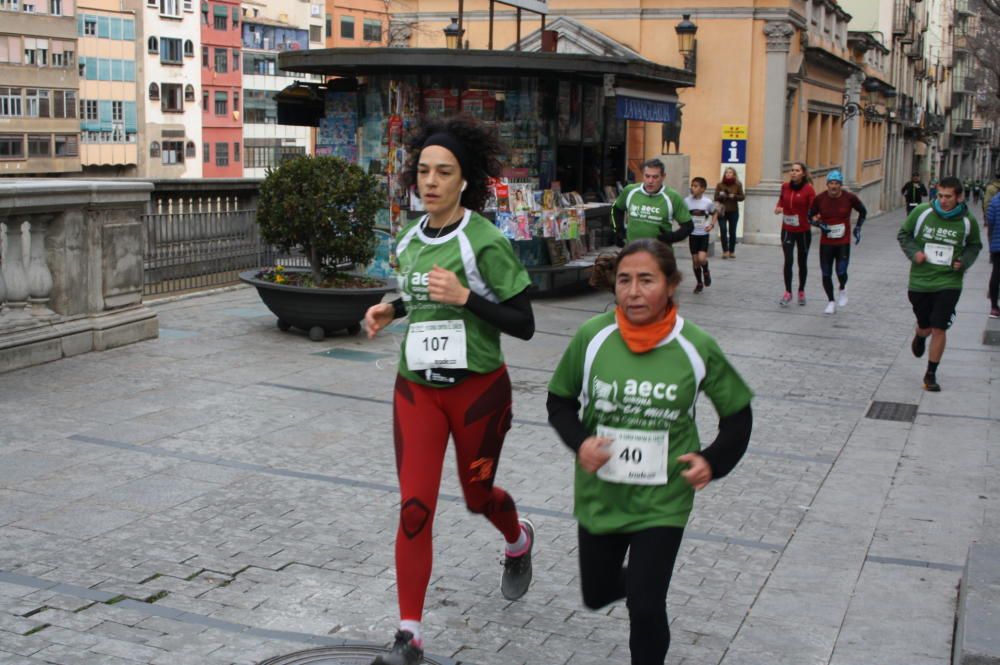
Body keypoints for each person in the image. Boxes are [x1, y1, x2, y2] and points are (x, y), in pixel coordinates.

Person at [363, 115, 537, 665]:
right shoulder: (410, 239)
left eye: (444, 172)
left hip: (477, 392)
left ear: (465, 180)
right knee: (414, 506)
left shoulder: (485, 240)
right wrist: (389, 309)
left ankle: (518, 539)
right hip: (417, 390)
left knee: (476, 495)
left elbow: (524, 321)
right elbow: (417, 296)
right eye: (423, 172)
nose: (431, 182)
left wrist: (466, 299)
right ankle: (409, 633)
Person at [546, 239, 753, 665]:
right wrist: (581, 442)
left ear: (672, 285)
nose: (633, 292)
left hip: (664, 497)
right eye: (624, 280)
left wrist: (712, 461)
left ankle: (645, 593)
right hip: (602, 494)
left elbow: (738, 416)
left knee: (645, 604)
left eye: (646, 280)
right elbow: (559, 402)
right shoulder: (592, 337)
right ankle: (635, 582)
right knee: (597, 591)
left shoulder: (695, 345)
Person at [897, 176, 983, 392]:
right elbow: (904, 235)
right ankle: (919, 334)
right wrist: (914, 253)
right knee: (926, 327)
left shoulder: (967, 221)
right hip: (920, 281)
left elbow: (974, 246)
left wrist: (963, 262)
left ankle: (931, 374)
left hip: (949, 281)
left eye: (948, 197)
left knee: (939, 327)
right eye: (940, 195)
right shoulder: (922, 212)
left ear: (959, 197)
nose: (943, 201)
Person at [808, 170, 867, 315]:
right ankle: (831, 301)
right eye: (831, 183)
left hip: (843, 241)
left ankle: (842, 288)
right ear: (827, 184)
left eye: (836, 184)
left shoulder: (850, 198)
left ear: (841, 185)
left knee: (841, 271)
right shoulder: (820, 198)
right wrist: (819, 225)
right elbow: (809, 216)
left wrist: (858, 228)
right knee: (826, 273)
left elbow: (863, 211)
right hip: (826, 242)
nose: (833, 187)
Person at [612, 158, 693, 247]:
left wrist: (672, 237)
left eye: (655, 177)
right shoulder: (630, 191)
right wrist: (618, 230)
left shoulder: (672, 197)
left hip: (659, 255)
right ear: (643, 175)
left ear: (663, 176)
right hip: (632, 252)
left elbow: (688, 226)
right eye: (647, 176)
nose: (650, 181)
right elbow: (615, 209)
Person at [774, 162, 816, 306]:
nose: (793, 173)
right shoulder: (785, 186)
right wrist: (779, 207)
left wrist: (815, 216)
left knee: (802, 262)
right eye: (792, 170)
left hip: (803, 231)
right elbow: (781, 199)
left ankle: (801, 291)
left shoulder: (808, 189)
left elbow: (813, 206)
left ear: (803, 173)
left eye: (797, 170)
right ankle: (788, 292)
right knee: (788, 260)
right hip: (787, 230)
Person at [684, 177, 717, 293]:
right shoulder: (687, 201)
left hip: (703, 234)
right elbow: (682, 214)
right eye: (692, 186)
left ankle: (706, 271)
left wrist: (712, 225)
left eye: (696, 186)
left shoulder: (707, 202)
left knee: (702, 258)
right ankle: (699, 282)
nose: (693, 188)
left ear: (703, 189)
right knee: (695, 261)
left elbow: (715, 212)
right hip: (692, 234)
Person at [714, 166, 745, 259]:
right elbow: (715, 197)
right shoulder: (720, 185)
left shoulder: (738, 184)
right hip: (722, 211)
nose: (728, 174)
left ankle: (732, 251)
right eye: (726, 172)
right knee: (723, 230)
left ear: (734, 174)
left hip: (733, 211)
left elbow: (742, 197)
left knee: (732, 231)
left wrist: (734, 196)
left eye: (730, 172)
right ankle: (725, 251)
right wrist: (722, 195)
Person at [986, 191, 1000, 318]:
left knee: (996, 274)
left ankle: (994, 307)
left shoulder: (995, 200)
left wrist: (991, 244)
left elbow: (990, 222)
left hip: (997, 244)